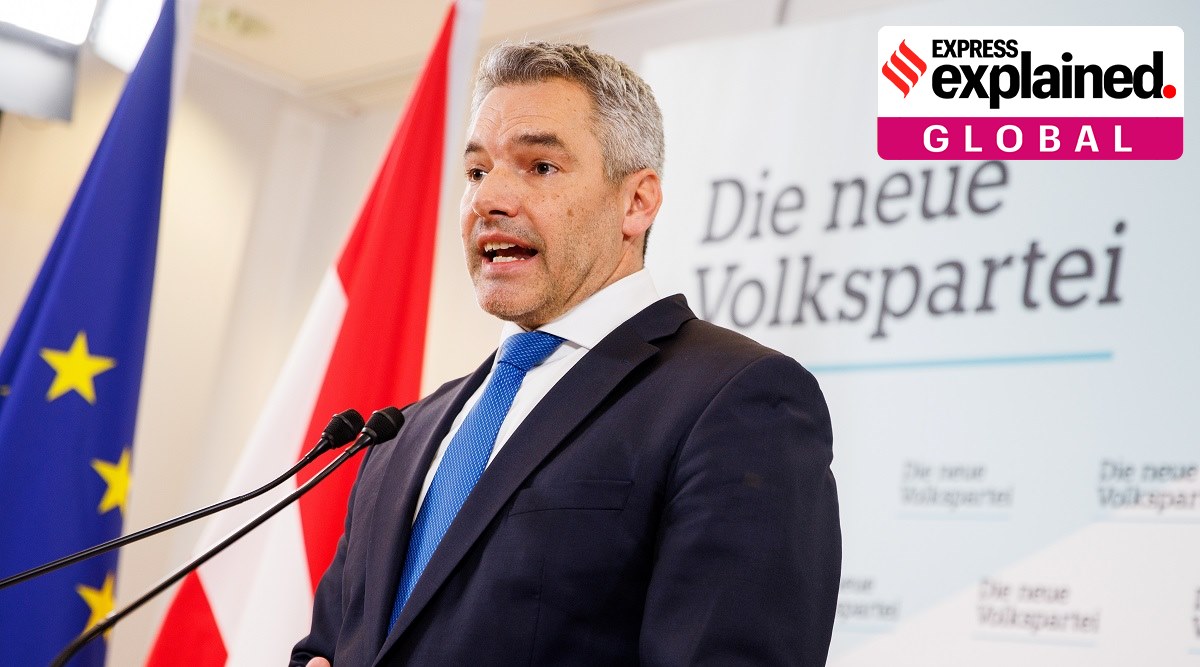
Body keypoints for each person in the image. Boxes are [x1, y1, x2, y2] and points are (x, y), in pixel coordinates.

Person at [292, 41, 840, 667]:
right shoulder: (400, 434)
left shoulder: (736, 398)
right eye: (476, 172)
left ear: (637, 202)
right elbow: (328, 649)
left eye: (540, 166)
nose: (488, 201)